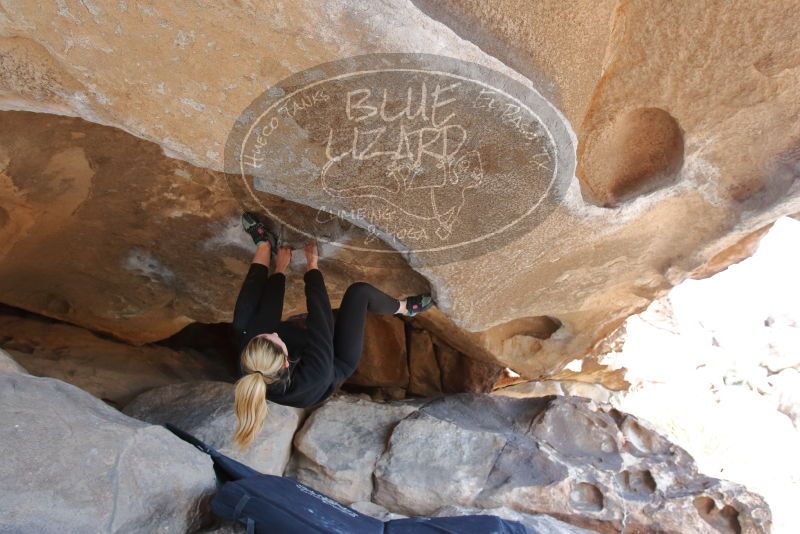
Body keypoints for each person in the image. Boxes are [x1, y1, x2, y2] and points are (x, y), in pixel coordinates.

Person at [231, 213, 433, 448]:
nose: (275, 333)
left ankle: (265, 246)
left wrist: (279, 271)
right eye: (275, 339)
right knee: (360, 293)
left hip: (283, 354)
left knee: (244, 322)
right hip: (334, 359)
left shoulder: (252, 361)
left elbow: (267, 326)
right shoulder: (314, 374)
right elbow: (322, 321)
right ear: (286, 362)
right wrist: (312, 268)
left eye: (266, 336)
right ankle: (405, 308)